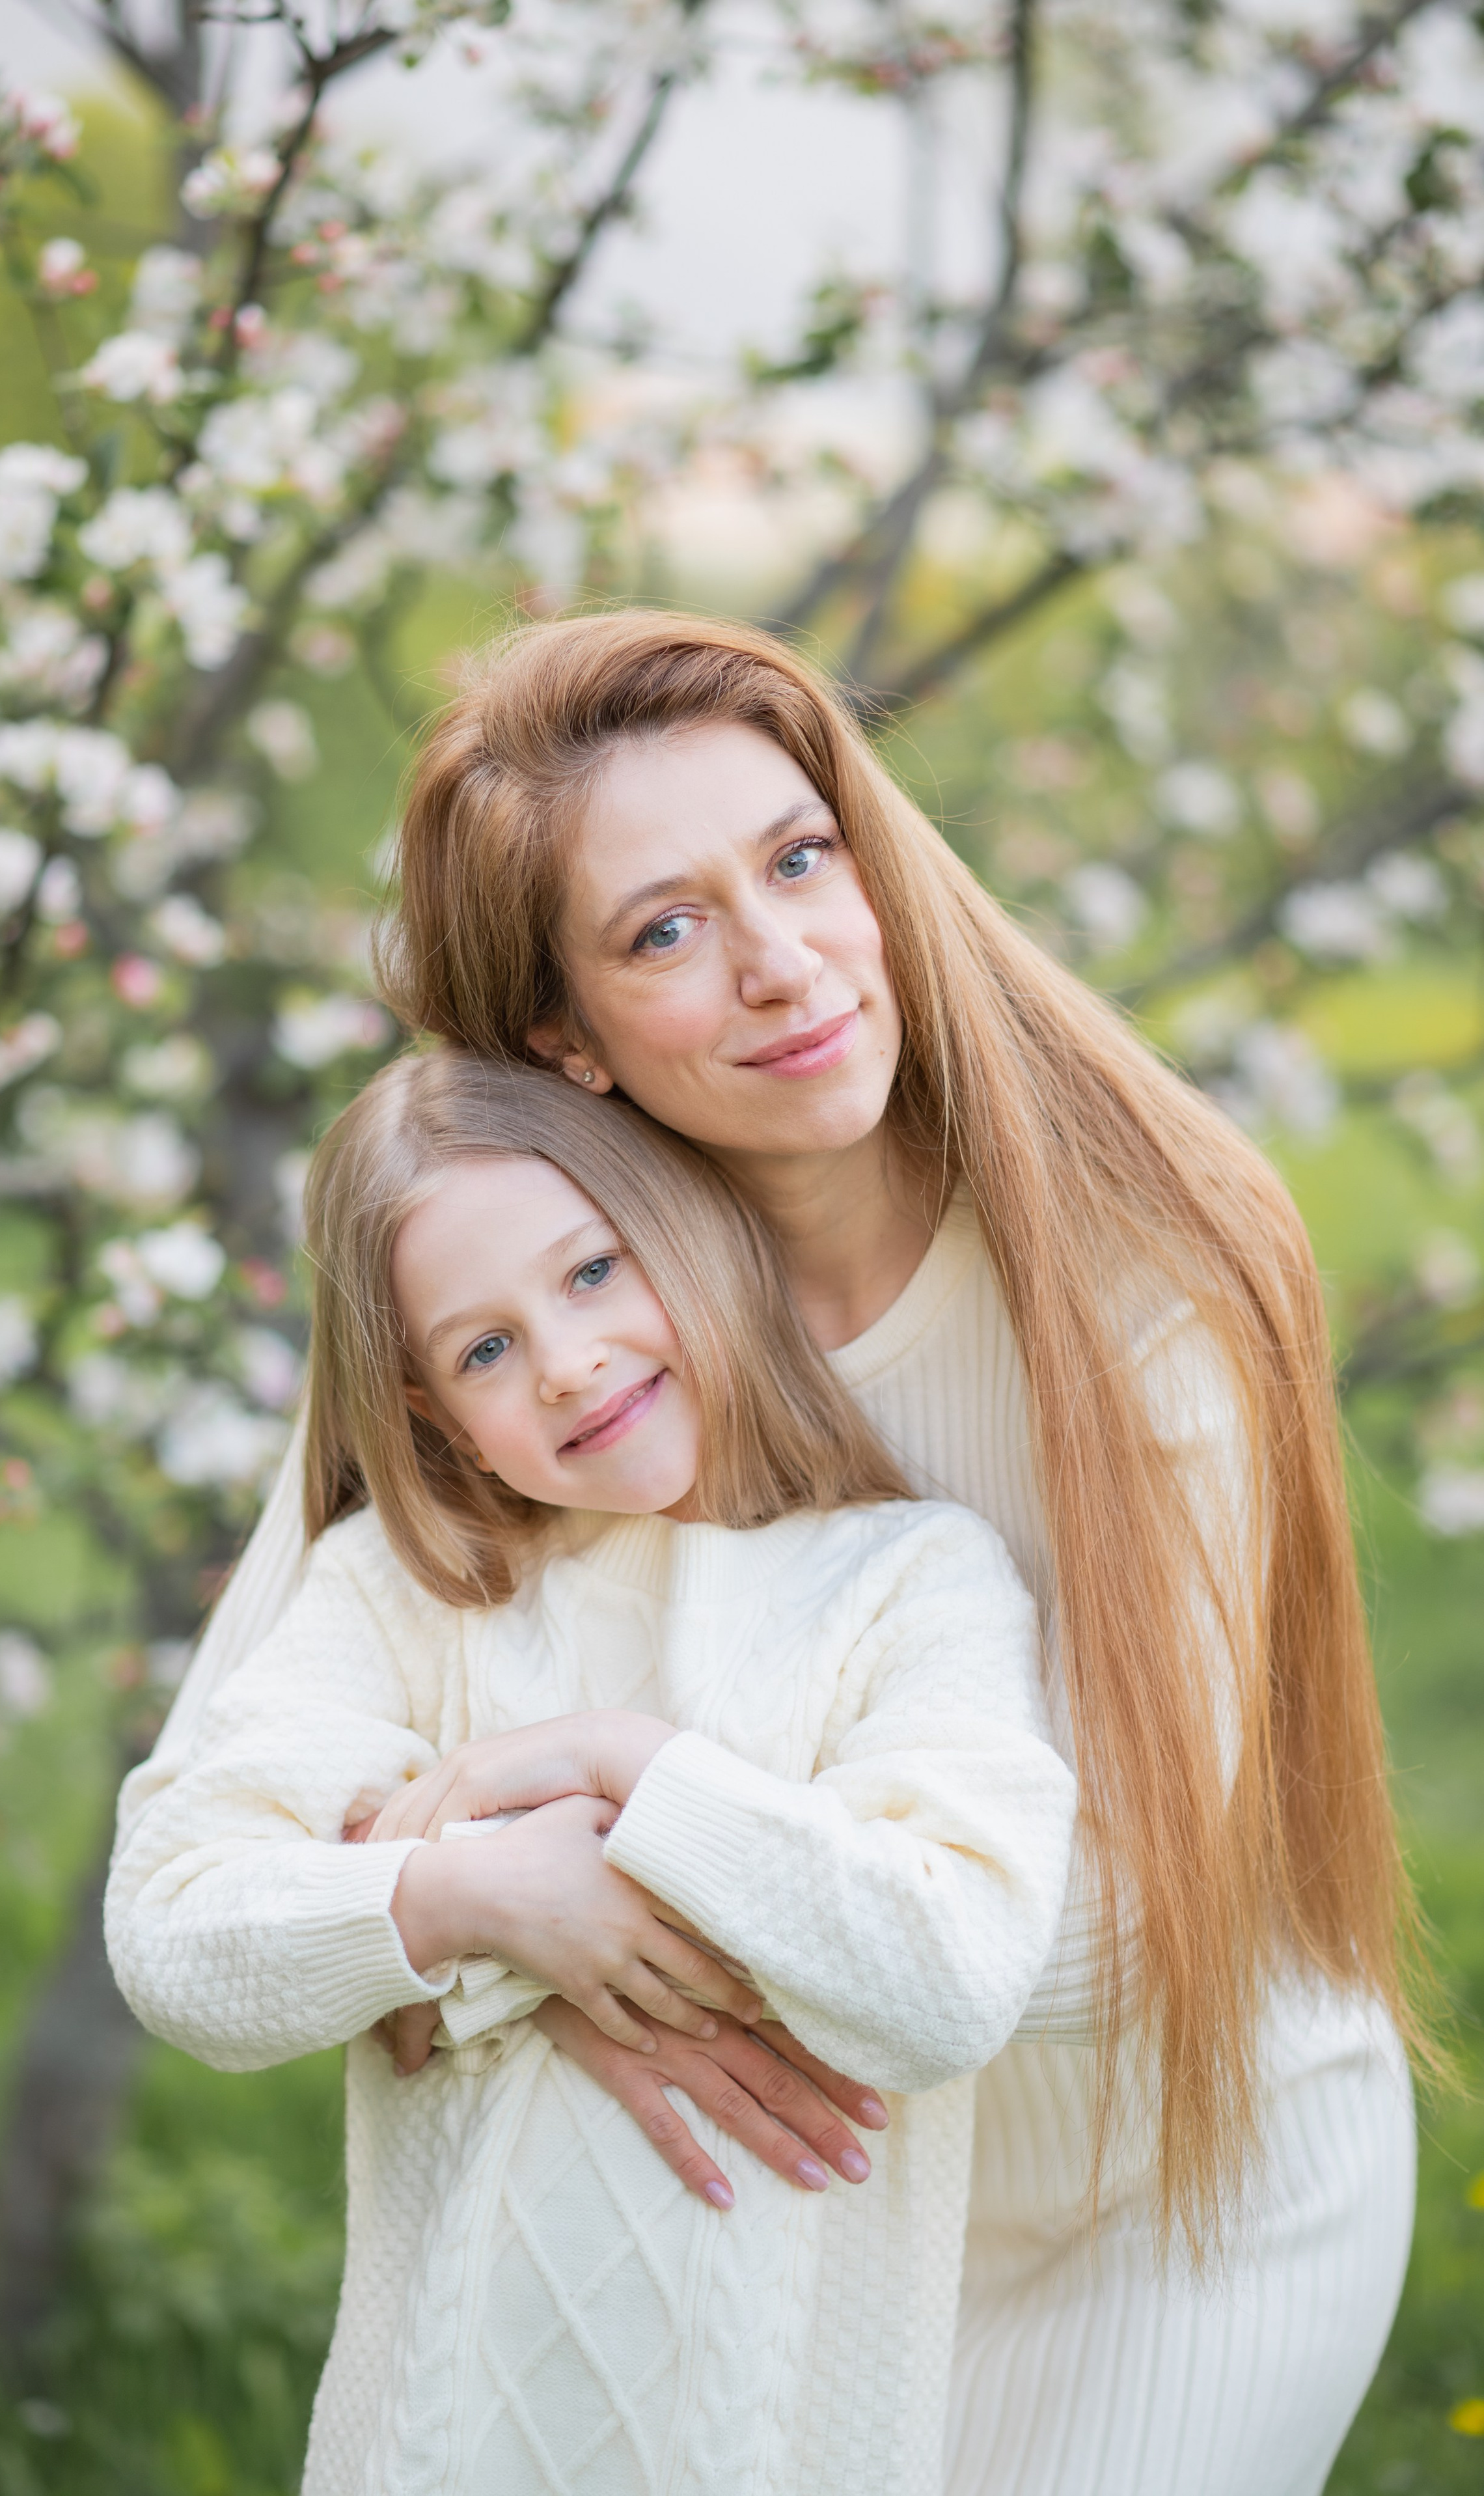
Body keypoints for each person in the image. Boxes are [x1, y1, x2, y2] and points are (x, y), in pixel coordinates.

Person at [117, 611, 1425, 2496]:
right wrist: (503, 1908)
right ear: (559, 1036)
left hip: (1172, 2182)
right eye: (665, 929)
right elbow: (231, 1818)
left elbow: (1120, 1919)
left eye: (800, 860)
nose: (783, 962)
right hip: (815, 2213)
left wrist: (596, 1877)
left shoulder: (1150, 1280)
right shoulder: (558, 1296)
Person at [106, 1049, 1077, 2496]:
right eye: (482, 1350)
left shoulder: (910, 1583)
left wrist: (612, 1764)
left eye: (592, 1274)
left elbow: (941, 1973)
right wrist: (473, 1902)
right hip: (438, 2447)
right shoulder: (407, 1597)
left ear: (692, 1231)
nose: (564, 1362)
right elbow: (178, 1927)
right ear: (432, 1412)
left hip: (783, 2448)